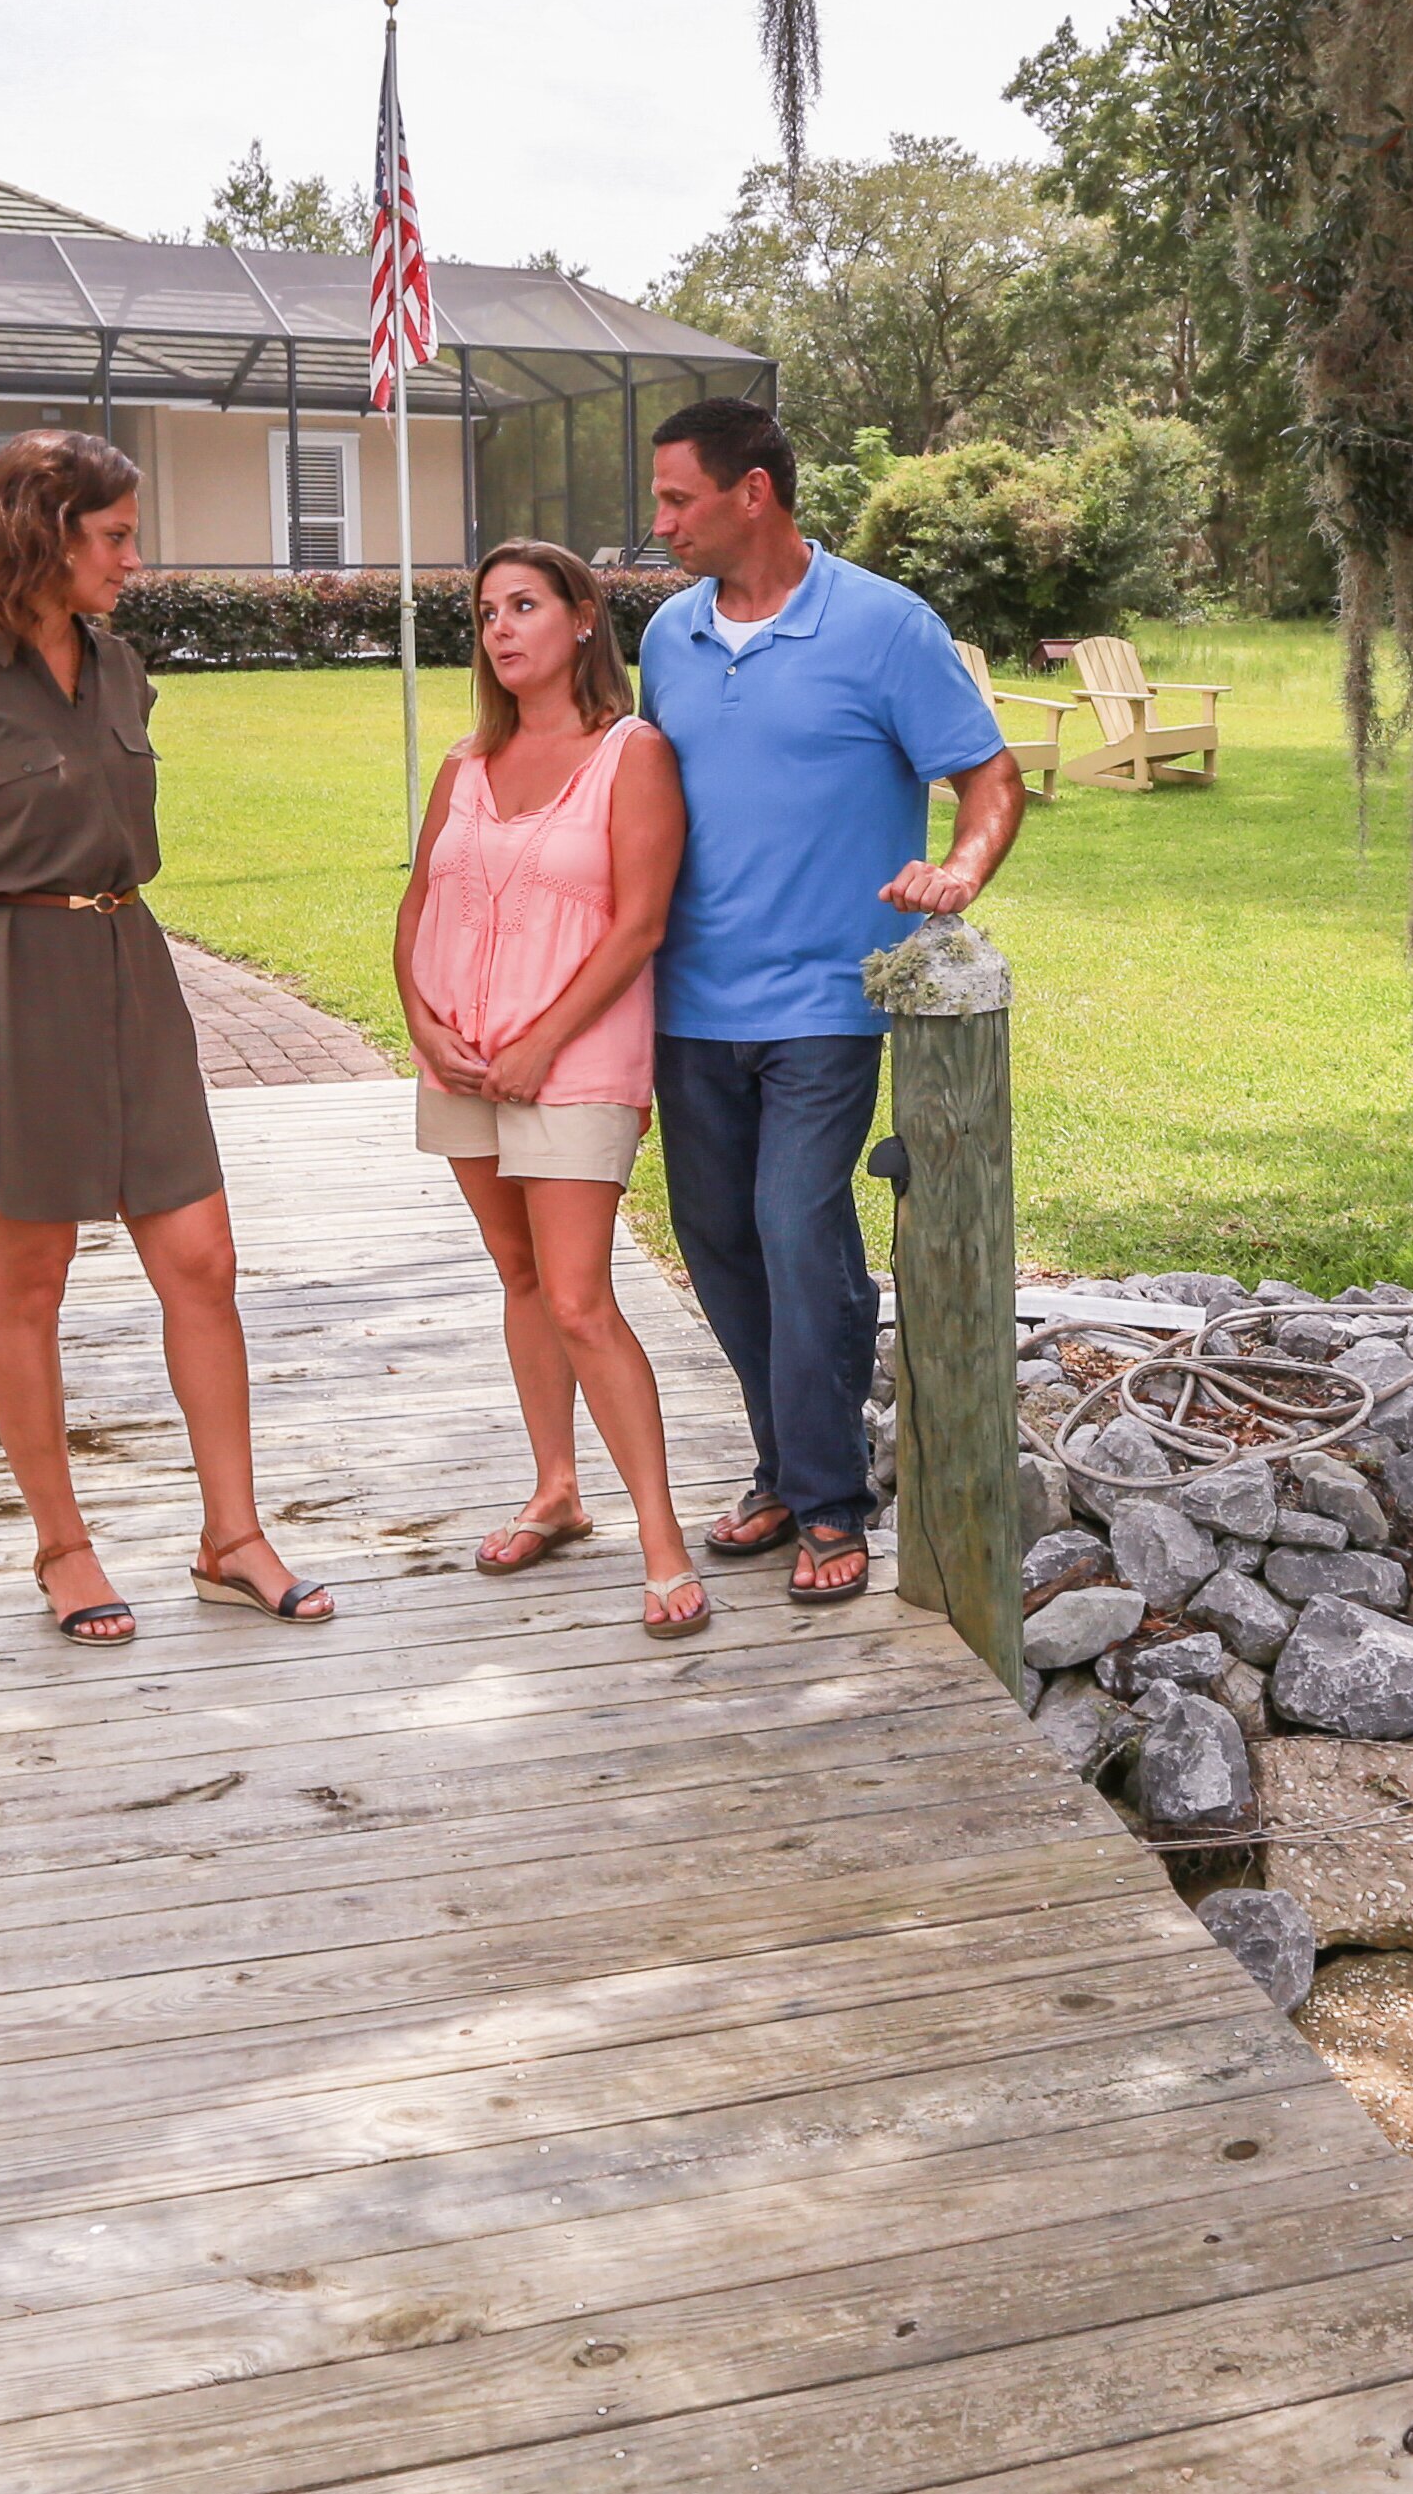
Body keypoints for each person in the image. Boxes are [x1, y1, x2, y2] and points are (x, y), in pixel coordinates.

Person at [0, 430, 325, 1638]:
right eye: (112, 536)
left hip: (128, 969)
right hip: (5, 981)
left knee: (202, 1260)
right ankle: (62, 1547)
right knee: (31, 1279)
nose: (131, 558)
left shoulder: (117, 667)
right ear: (41, 536)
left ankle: (232, 1536)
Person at [636, 397, 1026, 1606]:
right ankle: (784, 1459)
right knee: (719, 1242)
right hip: (686, 999)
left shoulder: (884, 624)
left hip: (827, 995)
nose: (661, 524)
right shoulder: (666, 636)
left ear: (752, 490)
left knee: (798, 1229)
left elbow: (989, 776)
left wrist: (959, 870)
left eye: (677, 499)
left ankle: (826, 1497)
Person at [391, 542, 708, 1636]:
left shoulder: (631, 754)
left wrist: (542, 1044)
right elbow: (416, 906)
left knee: (577, 1295)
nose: (500, 629)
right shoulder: (463, 764)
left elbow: (639, 924)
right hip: (462, 1061)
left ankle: (661, 1540)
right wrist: (422, 1023)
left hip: (574, 1063)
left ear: (581, 618)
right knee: (519, 1274)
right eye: (486, 613)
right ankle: (554, 1490)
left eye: (523, 605)